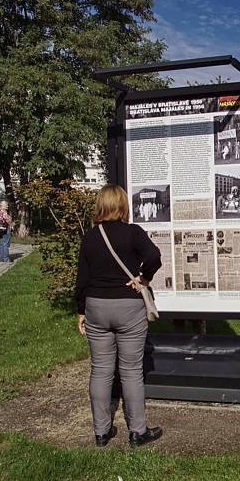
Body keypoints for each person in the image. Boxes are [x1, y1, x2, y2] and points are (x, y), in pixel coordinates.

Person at [74, 184, 163, 448]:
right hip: (128, 307)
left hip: (96, 307)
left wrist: (81, 311)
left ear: (100, 205)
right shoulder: (133, 233)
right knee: (132, 370)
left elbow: (82, 280)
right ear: (123, 205)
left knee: (100, 371)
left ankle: (101, 433)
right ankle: (137, 431)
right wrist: (143, 279)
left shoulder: (90, 237)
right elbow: (154, 257)